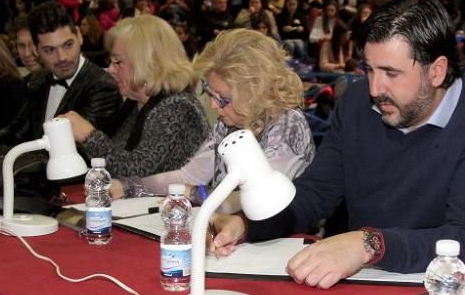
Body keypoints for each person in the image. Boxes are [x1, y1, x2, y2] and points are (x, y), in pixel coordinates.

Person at [209, 0, 465, 287]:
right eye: (369, 70)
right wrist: (249, 226)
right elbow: (317, 193)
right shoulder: (358, 102)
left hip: (452, 292)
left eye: (390, 72)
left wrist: (369, 245)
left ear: (437, 71)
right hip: (368, 278)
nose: (375, 88)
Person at [111, 28, 315, 203]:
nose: (213, 105)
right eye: (210, 95)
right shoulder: (229, 122)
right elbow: (189, 175)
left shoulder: (287, 124)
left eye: (223, 98)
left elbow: (255, 199)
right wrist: (128, 186)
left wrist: (194, 194)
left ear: (254, 91)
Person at [61, 15, 209, 178]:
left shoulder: (178, 107)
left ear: (146, 62)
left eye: (118, 61)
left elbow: (137, 171)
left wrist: (88, 135)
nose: (111, 69)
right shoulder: (136, 103)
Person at [0, 1, 121, 150]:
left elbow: (70, 150)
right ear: (36, 50)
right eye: (50, 50)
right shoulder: (38, 80)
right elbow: (16, 132)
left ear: (79, 36)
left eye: (68, 45)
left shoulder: (102, 86)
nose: (62, 57)